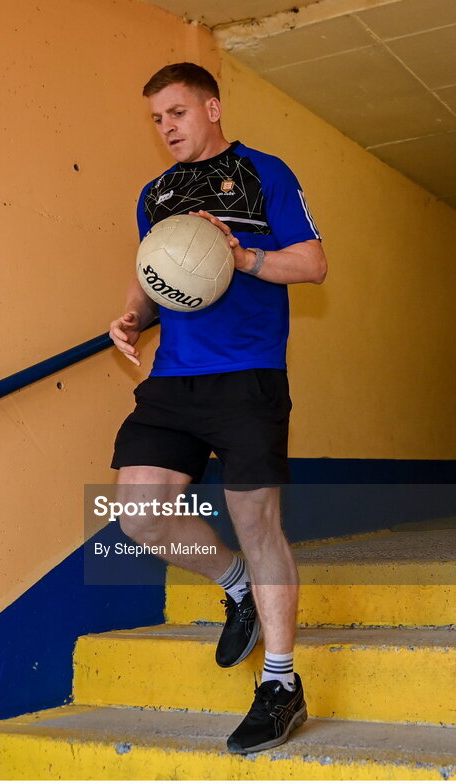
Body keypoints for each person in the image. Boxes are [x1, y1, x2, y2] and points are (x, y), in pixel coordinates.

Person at [107, 62, 327, 754]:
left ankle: (282, 683)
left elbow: (313, 263)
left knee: (256, 521)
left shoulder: (266, 172)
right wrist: (133, 315)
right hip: (174, 378)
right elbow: (158, 272)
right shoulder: (155, 194)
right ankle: (234, 586)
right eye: (157, 119)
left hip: (249, 376)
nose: (167, 128)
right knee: (136, 513)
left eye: (176, 112)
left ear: (212, 107)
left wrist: (244, 258)